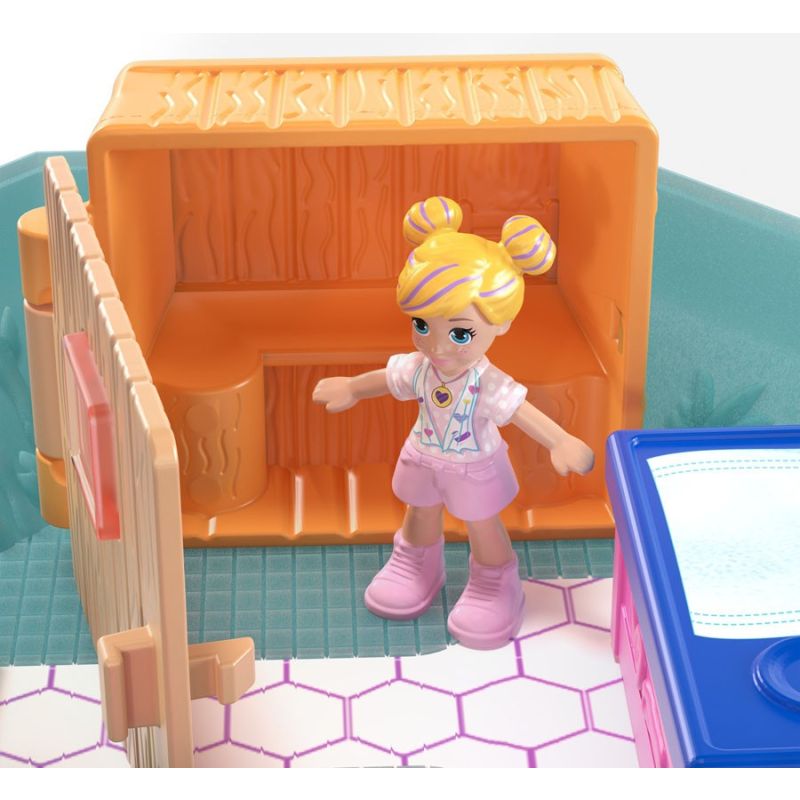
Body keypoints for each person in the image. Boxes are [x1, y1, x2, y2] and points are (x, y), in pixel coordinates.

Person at [312, 196, 594, 650]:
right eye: (422, 325)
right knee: (419, 510)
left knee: (481, 523)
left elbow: (520, 411)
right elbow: (386, 378)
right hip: (423, 456)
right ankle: (416, 562)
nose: (438, 346)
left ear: (500, 325)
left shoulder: (487, 382)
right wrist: (351, 387)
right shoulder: (420, 368)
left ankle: (495, 581)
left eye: (460, 333)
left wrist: (558, 440)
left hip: (473, 464)